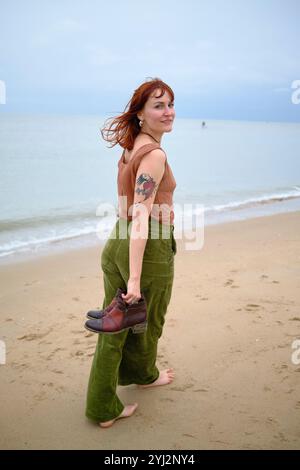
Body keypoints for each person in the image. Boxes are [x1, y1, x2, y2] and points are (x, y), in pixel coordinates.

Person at [85, 77, 177, 428]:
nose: (167, 112)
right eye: (158, 105)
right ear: (141, 113)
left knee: (116, 326)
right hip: (146, 246)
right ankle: (109, 403)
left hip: (117, 241)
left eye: (170, 103)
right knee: (146, 321)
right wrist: (136, 280)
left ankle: (129, 382)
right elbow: (141, 216)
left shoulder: (133, 143)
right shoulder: (153, 154)